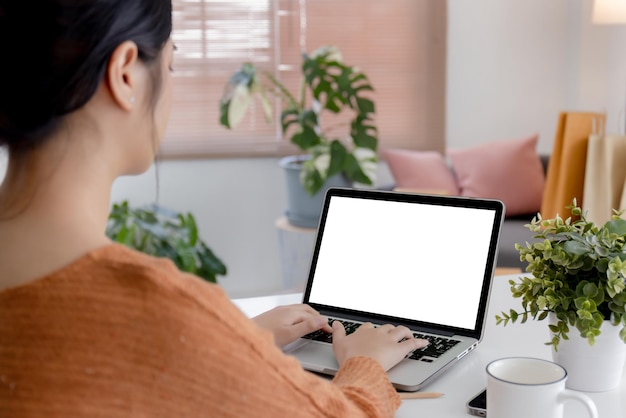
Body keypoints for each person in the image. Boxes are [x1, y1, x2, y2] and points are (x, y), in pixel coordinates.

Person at [0, 1, 428, 417]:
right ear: (126, 73)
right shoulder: (155, 309)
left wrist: (230, 339)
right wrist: (366, 362)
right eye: (170, 66)